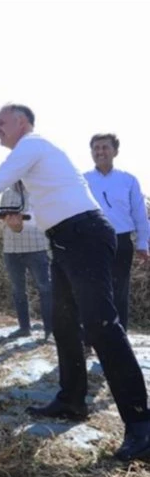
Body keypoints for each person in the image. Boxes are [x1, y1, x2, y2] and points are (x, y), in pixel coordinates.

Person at [0, 103, 150, 462]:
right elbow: (52, 211)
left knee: (102, 327)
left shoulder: (33, 145)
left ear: (21, 122)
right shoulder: (39, 161)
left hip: (86, 234)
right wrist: (20, 219)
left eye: (0, 123)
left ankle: (141, 427)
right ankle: (72, 400)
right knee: (64, 324)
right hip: (67, 238)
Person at [83, 133, 149, 333]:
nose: (100, 152)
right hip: (91, 242)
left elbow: (139, 214)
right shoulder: (82, 180)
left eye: (105, 147)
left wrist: (143, 244)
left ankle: (120, 338)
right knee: (90, 291)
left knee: (119, 291)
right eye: (96, 148)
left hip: (121, 241)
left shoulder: (128, 180)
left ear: (115, 151)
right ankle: (89, 339)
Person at [0, 181, 53, 341]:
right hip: (11, 248)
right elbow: (4, 219)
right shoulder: (6, 193)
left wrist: (22, 224)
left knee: (46, 289)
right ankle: (24, 328)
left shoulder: (39, 191)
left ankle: (50, 331)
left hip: (37, 247)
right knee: (18, 290)